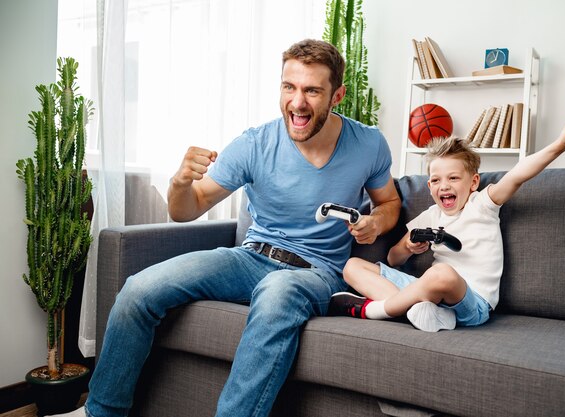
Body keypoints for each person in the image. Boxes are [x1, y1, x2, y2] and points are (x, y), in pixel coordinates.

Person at [48, 39, 400, 417]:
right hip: (251, 258)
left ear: (338, 95)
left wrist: (374, 224)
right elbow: (188, 209)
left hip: (316, 272)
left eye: (312, 90)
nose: (297, 103)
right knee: (139, 288)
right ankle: (99, 412)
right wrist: (180, 183)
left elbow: (390, 203)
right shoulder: (253, 144)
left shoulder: (368, 144)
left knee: (277, 291)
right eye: (289, 87)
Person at [328, 123, 565, 332]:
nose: (444, 186)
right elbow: (393, 258)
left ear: (474, 182)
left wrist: (561, 144)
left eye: (453, 178)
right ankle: (421, 312)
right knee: (352, 267)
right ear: (429, 187)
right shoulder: (430, 216)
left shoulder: (483, 203)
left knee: (443, 273)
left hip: (472, 302)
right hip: (430, 294)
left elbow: (519, 174)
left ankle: (375, 310)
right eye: (436, 180)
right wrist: (408, 247)